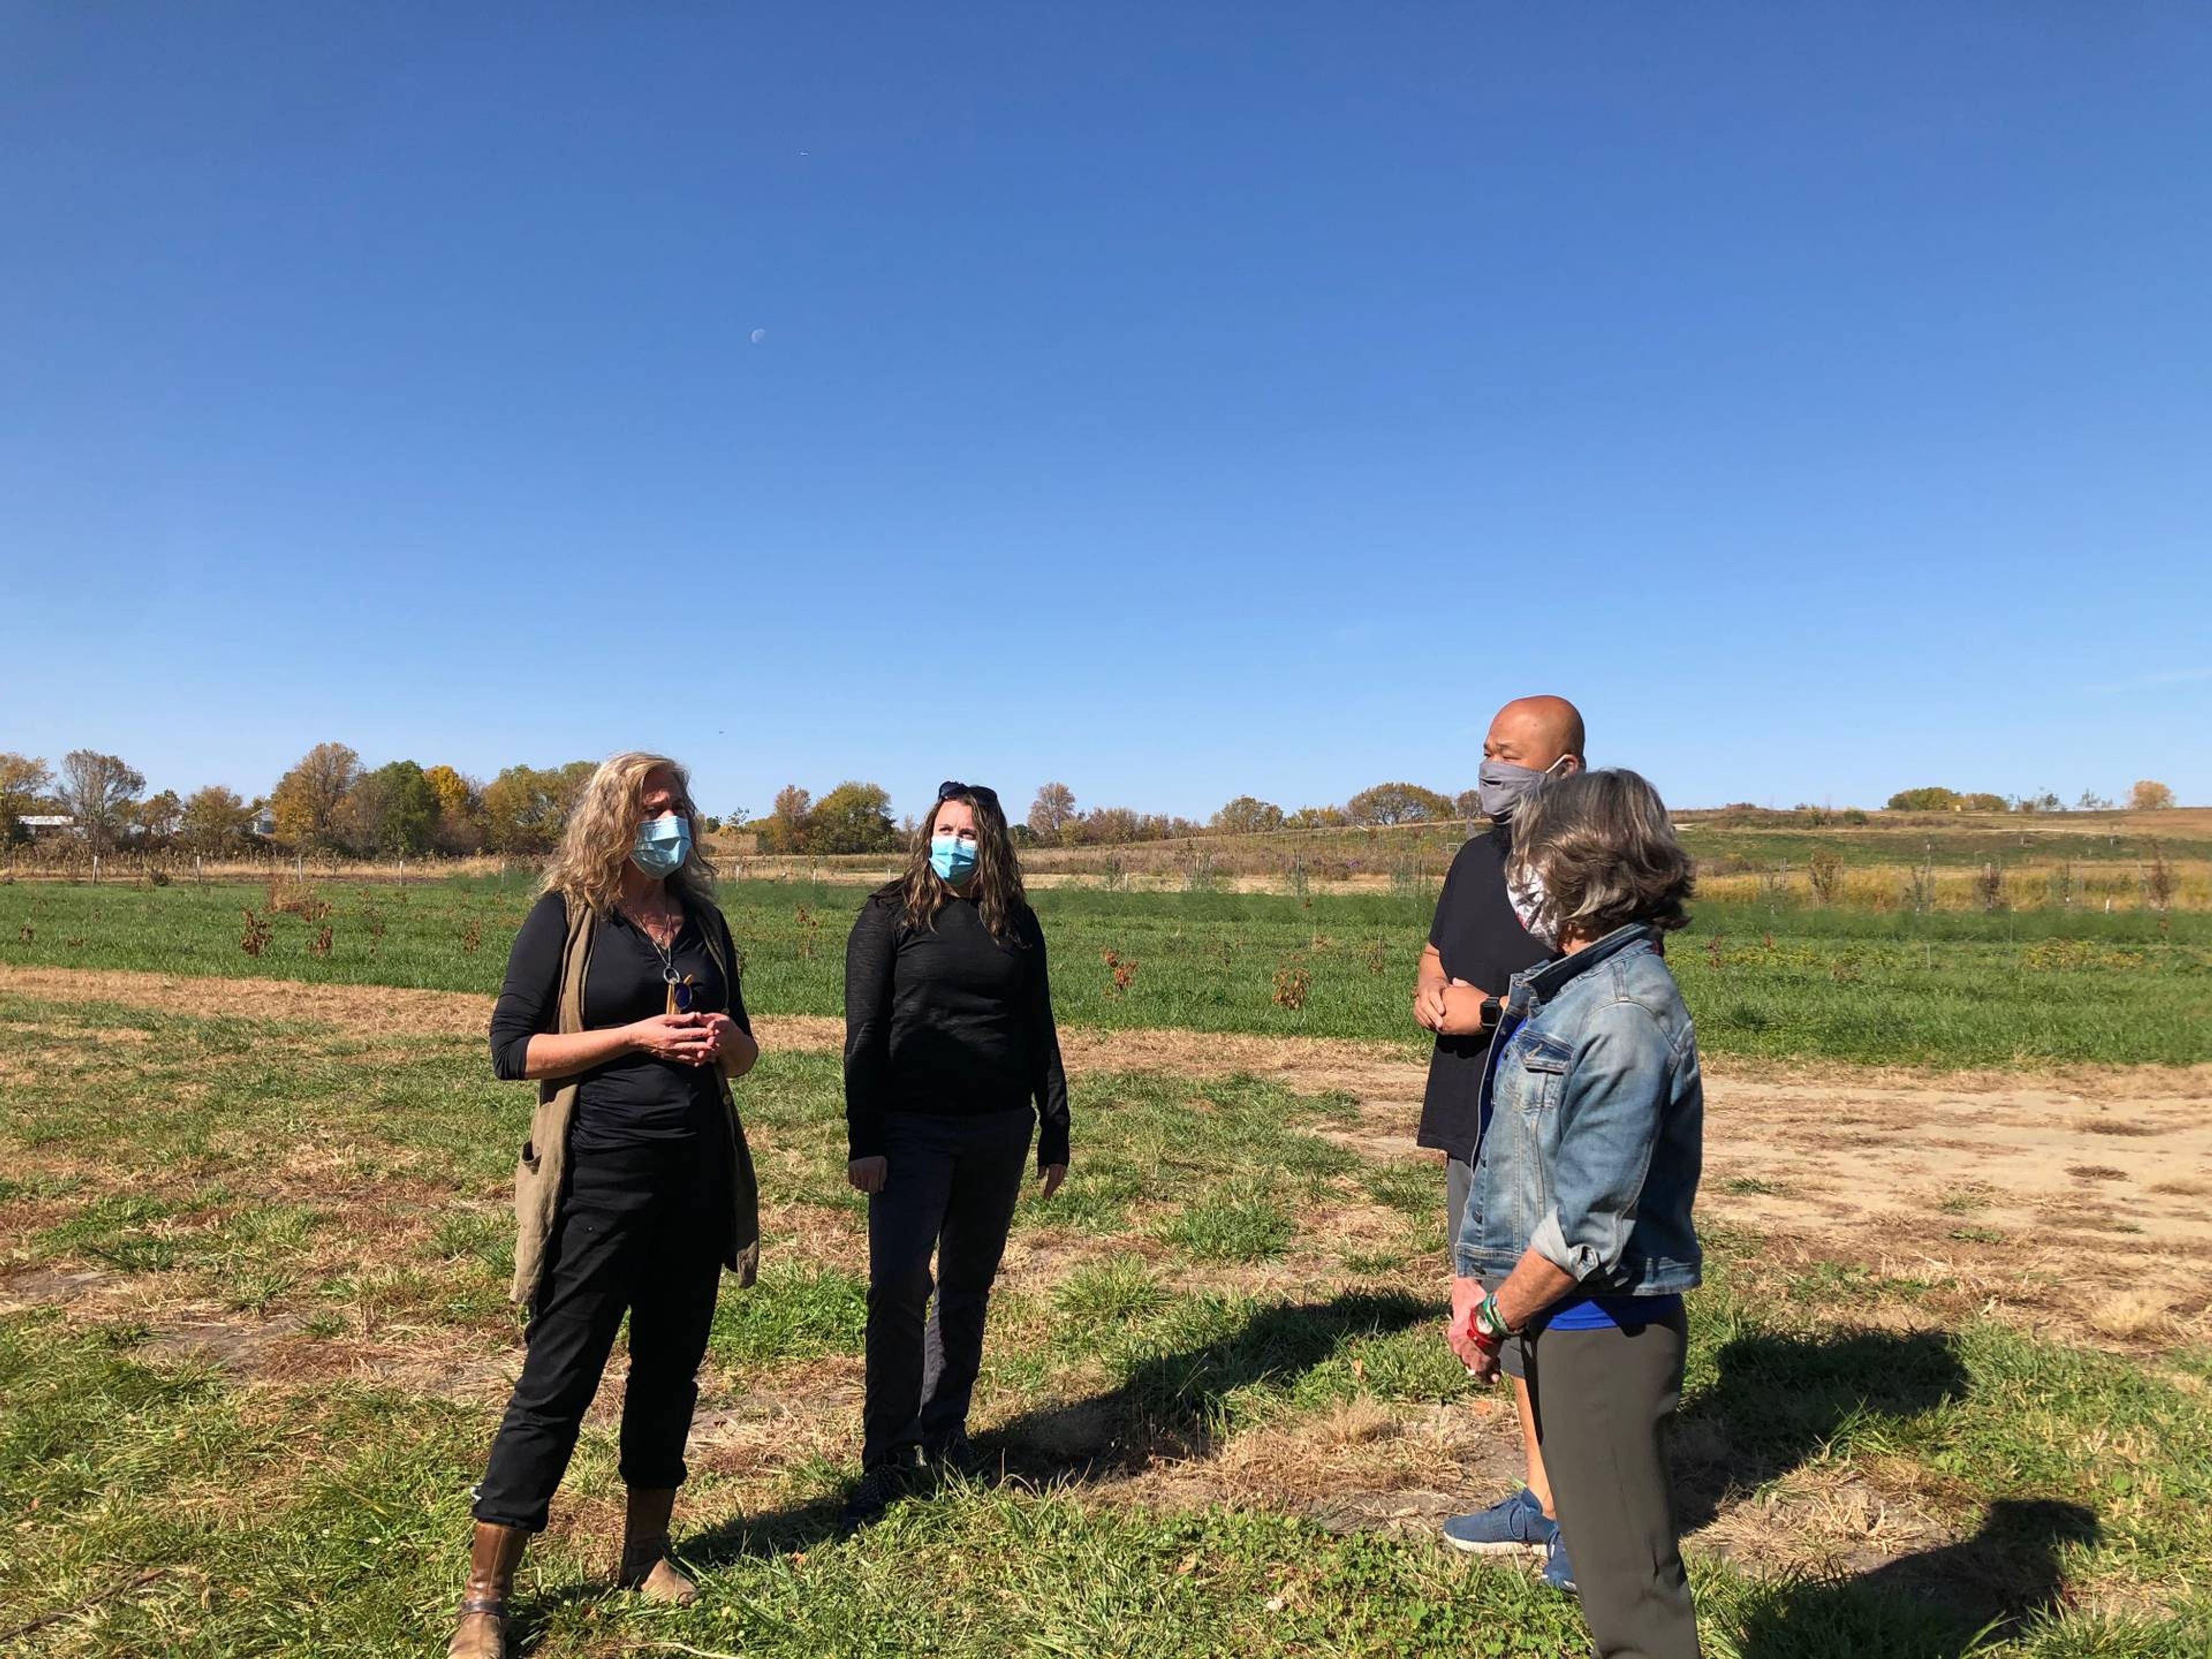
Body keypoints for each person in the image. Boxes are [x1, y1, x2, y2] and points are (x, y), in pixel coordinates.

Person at [450, 753, 762, 1659]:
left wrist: (729, 1041)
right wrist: (633, 1034)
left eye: (679, 807)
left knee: (670, 1373)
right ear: (612, 820)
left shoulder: (702, 921)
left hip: (696, 1181)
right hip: (599, 1182)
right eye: (651, 808)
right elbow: (511, 1049)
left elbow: (744, 1057)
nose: (670, 822)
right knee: (558, 1380)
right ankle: (484, 1600)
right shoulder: (567, 916)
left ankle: (645, 1553)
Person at [1446, 768, 1703, 1659]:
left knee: (1634, 1601)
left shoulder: (1625, 1010)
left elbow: (1590, 1222)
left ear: (1584, 866)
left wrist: (1491, 1314)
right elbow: (1517, 1157)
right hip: (1565, 1323)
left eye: (1532, 857)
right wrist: (1471, 1276)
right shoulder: (1567, 987)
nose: (1519, 876)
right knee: (1606, 1577)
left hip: (1607, 1327)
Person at [840, 780, 1070, 1525]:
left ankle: (946, 1432)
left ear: (993, 843)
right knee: (900, 1288)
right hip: (910, 1132)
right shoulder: (889, 914)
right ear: (924, 835)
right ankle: (887, 1454)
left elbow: (1039, 1030)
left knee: (967, 1288)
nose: (955, 844)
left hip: (999, 1130)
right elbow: (864, 1037)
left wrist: (1055, 1129)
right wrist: (865, 1140)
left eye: (969, 834)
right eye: (944, 830)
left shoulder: (1017, 924)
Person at [1415, 694, 1584, 1588]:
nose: (1490, 770)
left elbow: (1611, 993)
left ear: (1562, 772)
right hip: (1470, 1114)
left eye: (1509, 755)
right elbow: (1437, 953)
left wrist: (1494, 1007)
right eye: (1485, 751)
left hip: (1547, 1122)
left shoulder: (1589, 868)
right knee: (1498, 1312)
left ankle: (1584, 1520)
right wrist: (1432, 988)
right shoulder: (1476, 857)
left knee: (1553, 1310)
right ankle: (1542, 1497)